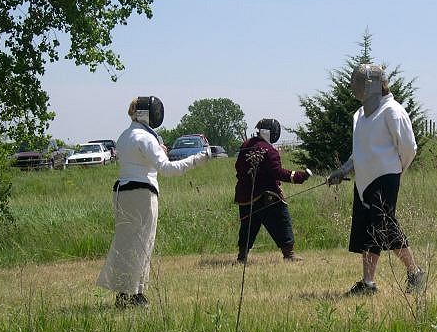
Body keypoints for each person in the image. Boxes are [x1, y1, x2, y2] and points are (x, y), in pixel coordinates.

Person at [96, 96, 210, 308]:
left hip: (122, 192)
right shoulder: (145, 138)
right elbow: (167, 169)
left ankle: (123, 294)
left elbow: (139, 160)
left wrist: (159, 150)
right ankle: (136, 294)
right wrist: (198, 158)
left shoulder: (125, 135)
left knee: (125, 243)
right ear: (147, 114)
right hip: (142, 193)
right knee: (142, 244)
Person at [328, 64, 426, 295]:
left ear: (373, 84)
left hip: (385, 178)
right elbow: (359, 152)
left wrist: (396, 170)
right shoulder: (360, 116)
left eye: (360, 81)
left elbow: (409, 148)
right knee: (367, 231)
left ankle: (414, 272)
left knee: (385, 227)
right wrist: (343, 170)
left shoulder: (392, 111)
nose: (355, 86)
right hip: (364, 182)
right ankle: (368, 283)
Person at [234, 118, 310, 263]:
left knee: (247, 227)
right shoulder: (269, 150)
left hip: (245, 196)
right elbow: (278, 173)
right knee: (281, 220)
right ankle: (289, 254)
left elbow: (238, 168)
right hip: (266, 196)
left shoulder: (246, 145)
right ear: (270, 133)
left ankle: (242, 256)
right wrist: (299, 176)